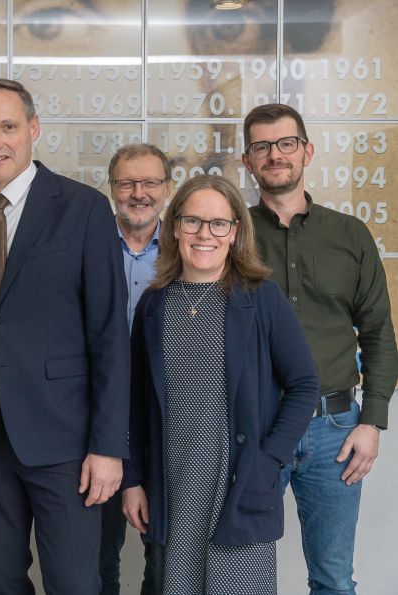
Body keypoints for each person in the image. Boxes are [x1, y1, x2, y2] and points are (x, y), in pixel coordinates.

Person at [0, 78, 131, 594]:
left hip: (67, 442)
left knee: (76, 584)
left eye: (8, 126)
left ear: (34, 129)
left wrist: (108, 447)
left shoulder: (83, 209)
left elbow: (109, 335)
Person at [121, 174, 319, 594]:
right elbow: (135, 404)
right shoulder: (154, 304)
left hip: (238, 486)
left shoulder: (262, 298)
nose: (204, 234)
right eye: (192, 221)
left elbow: (304, 385)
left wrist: (269, 461)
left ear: (235, 232)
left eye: (218, 223)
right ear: (175, 228)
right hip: (171, 488)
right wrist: (133, 480)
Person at [243, 103, 398, 595]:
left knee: (333, 578)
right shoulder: (230, 235)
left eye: (286, 144)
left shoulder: (349, 235)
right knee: (240, 576)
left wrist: (371, 421)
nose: (275, 155)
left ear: (306, 151)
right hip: (254, 427)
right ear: (247, 161)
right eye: (262, 147)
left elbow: (377, 334)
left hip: (336, 431)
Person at [102, 143, 173, 595]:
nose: (138, 193)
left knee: (165, 560)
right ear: (112, 189)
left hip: (164, 419)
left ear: (167, 189)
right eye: (127, 183)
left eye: (149, 182)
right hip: (95, 418)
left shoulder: (189, 249)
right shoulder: (84, 244)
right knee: (94, 558)